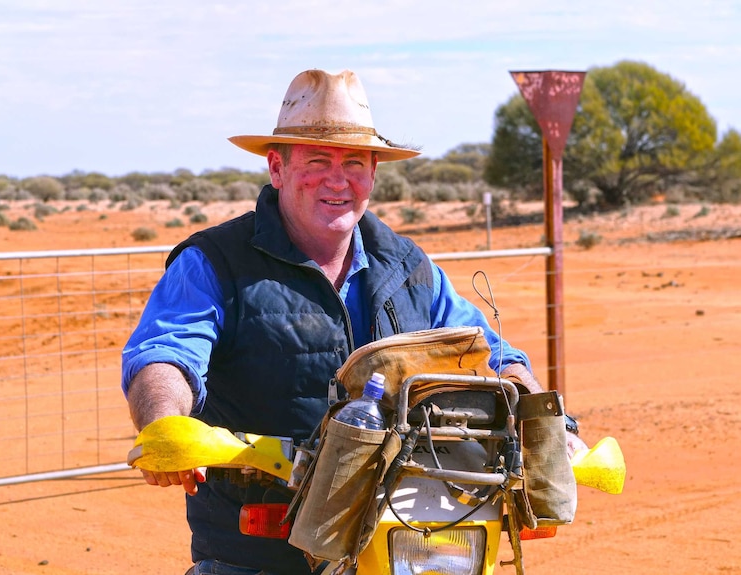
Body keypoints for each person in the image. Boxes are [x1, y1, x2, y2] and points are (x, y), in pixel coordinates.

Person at [122, 68, 587, 575]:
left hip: (407, 539)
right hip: (261, 553)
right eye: (317, 160)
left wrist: (548, 423)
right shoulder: (215, 263)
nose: (337, 179)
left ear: (373, 173)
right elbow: (165, 356)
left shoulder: (410, 267)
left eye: (354, 162)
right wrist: (164, 424)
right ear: (276, 168)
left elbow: (490, 354)